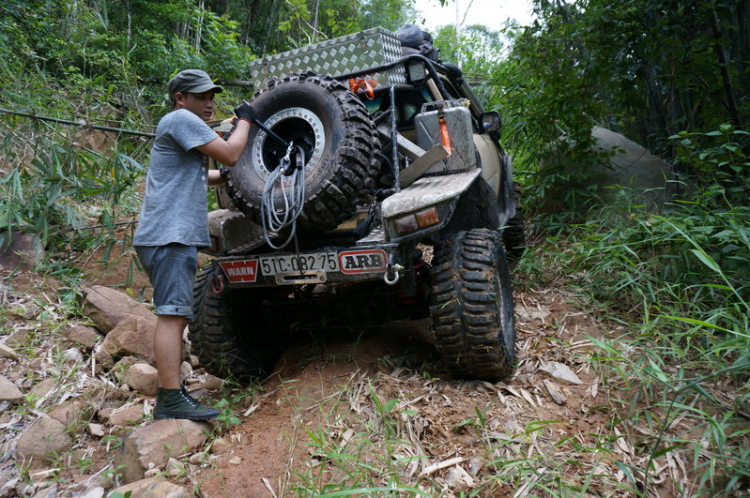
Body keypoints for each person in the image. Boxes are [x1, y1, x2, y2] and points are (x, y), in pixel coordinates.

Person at [133, 69, 255, 420]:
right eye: (201, 97)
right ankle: (170, 399)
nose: (209, 103)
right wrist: (245, 120)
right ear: (180, 99)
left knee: (177, 314)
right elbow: (230, 155)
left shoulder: (177, 127)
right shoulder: (180, 119)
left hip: (167, 235)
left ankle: (174, 393)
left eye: (211, 97)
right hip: (170, 236)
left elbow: (212, 173)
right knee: (173, 316)